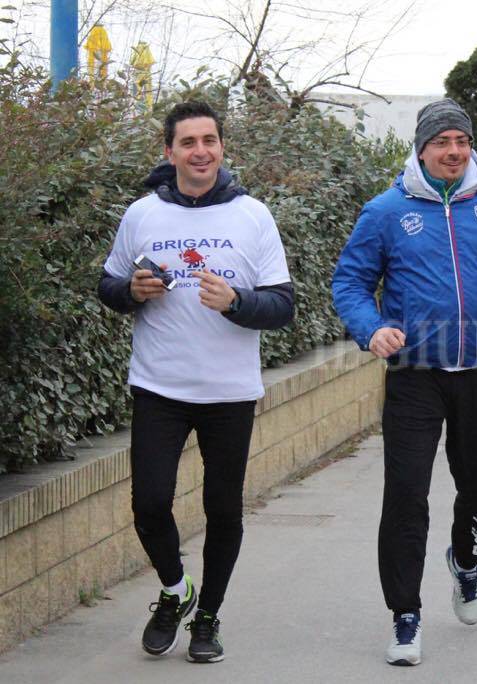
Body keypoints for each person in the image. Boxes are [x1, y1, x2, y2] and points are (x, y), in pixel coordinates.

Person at [331, 98, 477, 667]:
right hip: (415, 376)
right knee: (407, 493)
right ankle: (405, 614)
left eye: (461, 142)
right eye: (442, 143)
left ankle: (464, 562)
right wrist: (371, 329)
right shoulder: (386, 211)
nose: (454, 152)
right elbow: (350, 283)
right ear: (422, 147)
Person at [98, 101, 294, 663]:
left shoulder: (252, 216)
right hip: (159, 385)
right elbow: (108, 288)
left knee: (222, 510)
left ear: (221, 148)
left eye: (209, 140)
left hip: (228, 391)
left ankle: (207, 616)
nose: (200, 151)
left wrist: (236, 302)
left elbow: (283, 305)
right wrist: (132, 291)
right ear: (170, 152)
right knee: (149, 503)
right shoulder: (142, 215)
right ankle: (174, 588)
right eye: (188, 142)